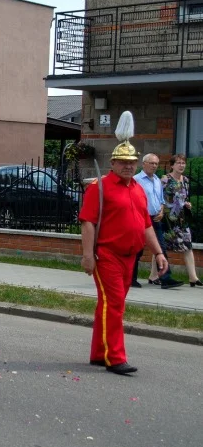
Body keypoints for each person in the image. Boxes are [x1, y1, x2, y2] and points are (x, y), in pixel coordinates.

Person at [79, 112, 167, 375]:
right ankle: (115, 358)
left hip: (132, 256)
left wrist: (159, 253)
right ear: (113, 163)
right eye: (123, 162)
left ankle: (99, 353)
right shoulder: (100, 187)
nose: (129, 166)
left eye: (132, 162)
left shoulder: (138, 189)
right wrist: (87, 256)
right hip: (107, 255)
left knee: (107, 305)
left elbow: (146, 225)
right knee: (114, 305)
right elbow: (87, 223)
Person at [131, 153, 178, 289]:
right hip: (141, 218)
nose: (154, 166)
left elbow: (161, 199)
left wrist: (161, 211)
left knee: (161, 247)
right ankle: (131, 278)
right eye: (151, 163)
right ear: (144, 164)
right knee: (138, 249)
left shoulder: (157, 180)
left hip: (155, 219)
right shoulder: (136, 180)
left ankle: (165, 277)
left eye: (156, 164)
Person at [160, 154, 199, 286]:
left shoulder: (186, 180)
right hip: (168, 218)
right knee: (161, 247)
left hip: (182, 218)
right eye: (178, 163)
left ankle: (193, 277)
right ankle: (154, 275)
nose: (181, 165)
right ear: (172, 165)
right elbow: (160, 197)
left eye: (183, 163)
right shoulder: (165, 179)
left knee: (187, 245)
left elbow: (183, 198)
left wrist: (187, 204)